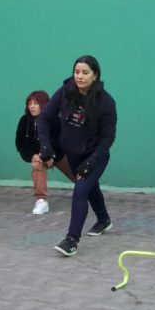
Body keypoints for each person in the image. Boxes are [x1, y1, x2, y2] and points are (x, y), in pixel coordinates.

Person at [37, 55, 117, 257]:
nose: (80, 76)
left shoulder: (106, 103)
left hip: (96, 155)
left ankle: (71, 240)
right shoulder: (65, 92)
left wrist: (90, 162)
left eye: (85, 73)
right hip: (72, 153)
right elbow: (44, 118)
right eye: (77, 72)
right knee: (90, 187)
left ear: (95, 75)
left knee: (81, 190)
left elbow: (108, 138)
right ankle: (104, 219)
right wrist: (46, 146)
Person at [15, 90, 74, 215]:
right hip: (40, 157)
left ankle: (88, 191)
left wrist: (51, 155)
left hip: (59, 155)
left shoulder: (55, 120)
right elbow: (21, 143)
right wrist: (33, 156)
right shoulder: (24, 121)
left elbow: (63, 142)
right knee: (37, 166)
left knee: (78, 175)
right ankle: (41, 201)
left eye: (35, 103)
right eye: (29, 103)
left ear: (44, 104)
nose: (32, 106)